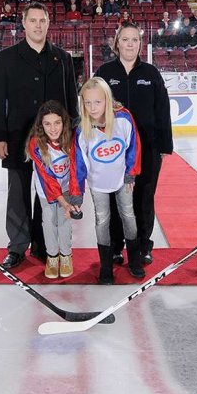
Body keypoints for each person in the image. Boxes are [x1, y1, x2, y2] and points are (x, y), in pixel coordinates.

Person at [0, 2, 78, 268]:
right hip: (17, 139)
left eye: (43, 20)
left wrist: (71, 136)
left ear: (48, 23)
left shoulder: (63, 58)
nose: (38, 25)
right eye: (33, 20)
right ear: (23, 24)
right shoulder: (6, 58)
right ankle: (17, 247)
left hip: (54, 142)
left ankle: (43, 244)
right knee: (18, 194)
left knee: (49, 193)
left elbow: (71, 99)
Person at [94, 23, 173, 265]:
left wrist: (164, 146)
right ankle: (117, 246)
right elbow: (93, 106)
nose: (130, 44)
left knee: (144, 197)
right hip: (114, 150)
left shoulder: (150, 74)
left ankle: (142, 247)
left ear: (140, 44)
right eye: (125, 39)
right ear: (116, 43)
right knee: (117, 197)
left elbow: (163, 110)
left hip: (148, 148)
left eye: (134, 40)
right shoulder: (105, 73)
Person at [77, 77, 142, 283]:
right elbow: (79, 161)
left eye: (97, 102)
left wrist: (131, 171)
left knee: (128, 215)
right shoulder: (83, 128)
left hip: (122, 179)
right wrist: (78, 191)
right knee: (102, 220)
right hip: (98, 183)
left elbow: (133, 145)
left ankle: (134, 259)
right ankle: (106, 266)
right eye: (88, 102)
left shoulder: (123, 118)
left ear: (107, 100)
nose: (93, 107)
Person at [26, 100, 84, 279]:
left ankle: (66, 255)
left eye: (57, 123)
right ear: (41, 125)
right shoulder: (36, 143)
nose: (53, 128)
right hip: (47, 191)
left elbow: (76, 168)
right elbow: (47, 178)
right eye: (47, 124)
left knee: (64, 222)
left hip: (67, 188)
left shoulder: (71, 140)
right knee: (49, 222)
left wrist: (74, 198)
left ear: (64, 122)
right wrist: (62, 201)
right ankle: (52, 256)